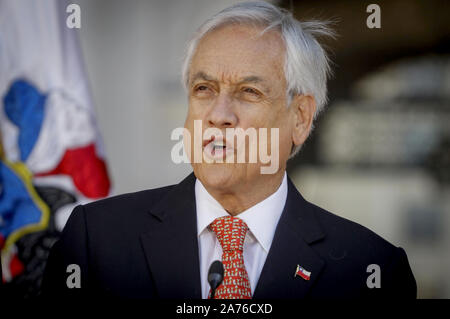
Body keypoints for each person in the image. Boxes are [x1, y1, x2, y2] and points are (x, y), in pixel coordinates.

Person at [42, 1, 416, 299]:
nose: (219, 116)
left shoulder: (372, 268)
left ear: (300, 118)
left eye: (248, 92)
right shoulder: (96, 243)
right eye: (203, 89)